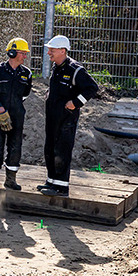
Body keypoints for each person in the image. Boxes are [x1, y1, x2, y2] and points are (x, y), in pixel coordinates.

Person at [38, 35, 99, 197]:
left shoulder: (75, 70)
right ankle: (51, 180)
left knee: (62, 150)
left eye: (52, 50)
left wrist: (76, 102)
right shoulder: (57, 67)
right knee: (50, 148)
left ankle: (61, 187)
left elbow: (92, 88)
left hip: (66, 118)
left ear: (63, 51)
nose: (49, 52)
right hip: (52, 116)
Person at [0, 37, 33, 190]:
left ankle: (10, 180)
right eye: (22, 53)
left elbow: (25, 94)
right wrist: (0, 110)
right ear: (12, 53)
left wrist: (15, 109)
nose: (25, 56)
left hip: (17, 116)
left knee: (15, 147)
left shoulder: (26, 74)